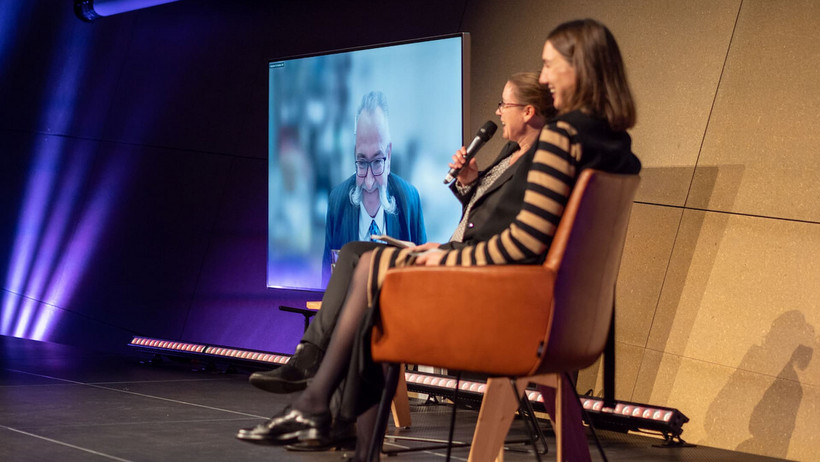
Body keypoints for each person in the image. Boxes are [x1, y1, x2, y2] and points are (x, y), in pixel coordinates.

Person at [238, 17, 640, 461]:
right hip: (556, 315)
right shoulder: (615, 147)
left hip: (509, 310)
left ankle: (326, 412)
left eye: (550, 65)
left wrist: (446, 258)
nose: (544, 78)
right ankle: (323, 411)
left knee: (371, 283)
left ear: (578, 67)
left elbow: (522, 245)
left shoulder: (562, 139)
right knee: (367, 269)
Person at [247, 72, 553, 397]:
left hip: (471, 274)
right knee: (354, 254)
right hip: (453, 257)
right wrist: (469, 182)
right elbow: (485, 214)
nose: (498, 112)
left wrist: (447, 252)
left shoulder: (539, 163)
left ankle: (312, 375)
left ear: (528, 111)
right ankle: (313, 377)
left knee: (362, 271)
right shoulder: (509, 152)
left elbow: (511, 235)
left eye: (504, 104)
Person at [321, 91, 426, 286]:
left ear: (389, 155)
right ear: (354, 155)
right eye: (361, 162)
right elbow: (326, 283)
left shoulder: (410, 199)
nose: (369, 182)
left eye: (377, 161)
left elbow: (425, 278)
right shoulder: (337, 200)